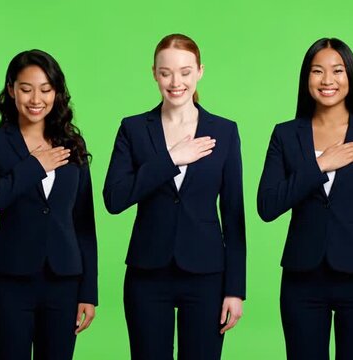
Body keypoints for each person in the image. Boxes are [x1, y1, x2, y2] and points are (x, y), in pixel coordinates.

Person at [103, 33, 246, 360]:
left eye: (185, 71)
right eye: (165, 72)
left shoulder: (224, 131)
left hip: (207, 275)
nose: (175, 81)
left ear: (199, 72)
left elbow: (234, 215)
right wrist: (171, 159)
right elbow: (114, 198)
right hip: (147, 273)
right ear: (154, 73)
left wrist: (235, 290)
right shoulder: (134, 129)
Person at [257, 37, 353, 359]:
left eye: (337, 71)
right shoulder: (285, 134)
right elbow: (267, 206)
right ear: (306, 77)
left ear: (350, 76)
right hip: (302, 280)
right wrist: (321, 164)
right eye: (317, 71)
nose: (327, 81)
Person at [0, 49, 97, 360]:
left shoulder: (72, 146)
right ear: (11, 90)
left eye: (46, 89)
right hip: (9, 282)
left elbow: (84, 224)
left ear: (57, 92)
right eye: (26, 89)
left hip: (64, 282)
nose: (36, 99)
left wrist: (88, 292)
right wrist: (33, 167)